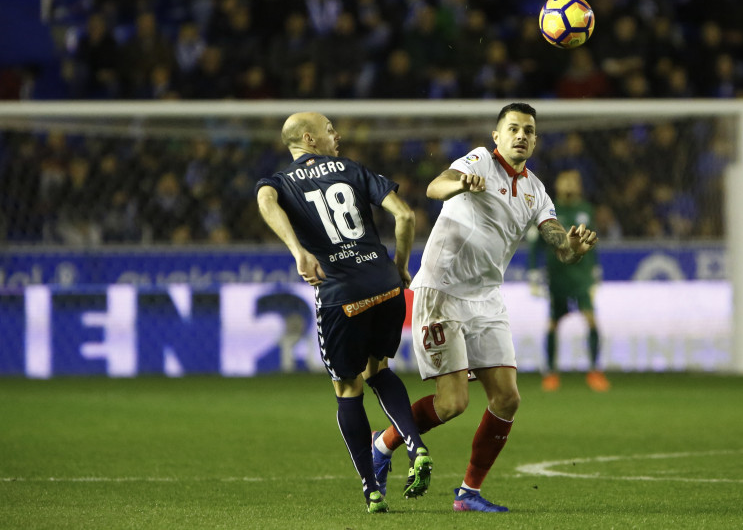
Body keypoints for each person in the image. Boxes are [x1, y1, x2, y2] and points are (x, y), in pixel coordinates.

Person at [371, 103, 598, 512]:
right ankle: (383, 443)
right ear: (497, 136)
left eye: (528, 130)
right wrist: (460, 184)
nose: (521, 135)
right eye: (513, 128)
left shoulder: (536, 191)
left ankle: (468, 493)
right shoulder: (479, 161)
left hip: (487, 299)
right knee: (452, 403)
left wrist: (572, 248)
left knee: (507, 398)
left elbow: (558, 242)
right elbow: (434, 187)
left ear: (535, 140)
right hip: (442, 291)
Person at [255, 112, 432, 513]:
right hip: (385, 285)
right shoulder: (352, 169)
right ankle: (415, 445)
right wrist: (401, 266)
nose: (336, 135)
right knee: (379, 369)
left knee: (348, 389)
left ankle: (372, 490)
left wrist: (299, 252)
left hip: (341, 294)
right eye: (329, 130)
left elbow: (265, 201)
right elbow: (405, 215)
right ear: (308, 138)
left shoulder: (277, 183)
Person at [528, 169, 608, 392]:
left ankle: (595, 371)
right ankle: (551, 373)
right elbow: (535, 244)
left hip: (581, 276)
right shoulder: (549, 210)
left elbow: (592, 242)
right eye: (566, 181)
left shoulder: (586, 210)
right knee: (553, 323)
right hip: (558, 276)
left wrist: (595, 271)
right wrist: (533, 273)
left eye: (574, 181)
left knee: (591, 320)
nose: (570, 185)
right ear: (558, 185)